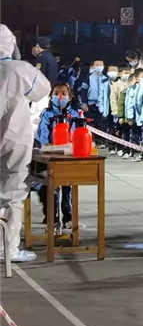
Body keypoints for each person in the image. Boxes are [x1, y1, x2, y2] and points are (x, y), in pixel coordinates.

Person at [0, 24, 51, 262]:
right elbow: (42, 90)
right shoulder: (20, 70)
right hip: (14, 140)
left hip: (12, 139)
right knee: (13, 196)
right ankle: (7, 249)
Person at [34, 83, 81, 228]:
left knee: (67, 186)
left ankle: (67, 216)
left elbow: (78, 132)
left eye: (63, 93)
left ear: (70, 96)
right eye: (56, 93)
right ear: (51, 96)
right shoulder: (46, 114)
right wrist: (47, 149)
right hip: (51, 155)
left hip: (68, 156)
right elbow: (43, 134)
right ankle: (51, 216)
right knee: (50, 187)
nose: (60, 96)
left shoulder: (75, 114)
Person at [77, 60, 111, 147]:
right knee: (90, 124)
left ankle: (100, 142)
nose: (99, 66)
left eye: (101, 65)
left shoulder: (106, 78)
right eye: (97, 65)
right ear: (93, 66)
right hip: (91, 104)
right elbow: (84, 90)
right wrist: (84, 103)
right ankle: (90, 141)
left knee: (101, 123)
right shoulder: (88, 77)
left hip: (102, 104)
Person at [110, 65, 132, 156]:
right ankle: (117, 147)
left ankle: (127, 149)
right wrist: (115, 111)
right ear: (120, 74)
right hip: (119, 111)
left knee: (127, 131)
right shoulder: (116, 84)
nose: (127, 75)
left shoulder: (131, 83)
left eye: (128, 73)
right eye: (125, 73)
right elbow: (113, 99)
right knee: (118, 131)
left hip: (128, 112)